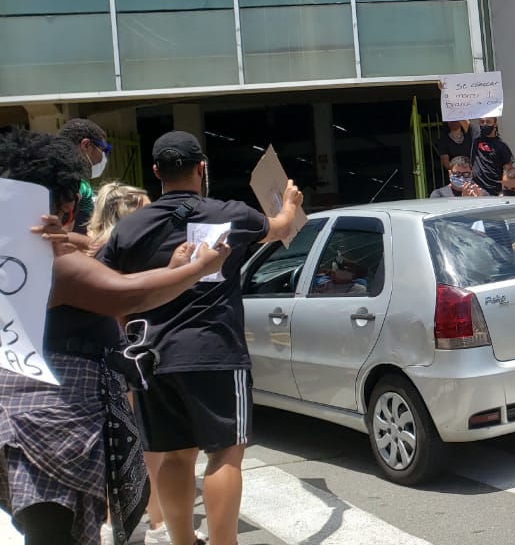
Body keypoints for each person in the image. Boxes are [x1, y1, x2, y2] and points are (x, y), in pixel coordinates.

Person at [0, 130, 230, 545]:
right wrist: (197, 268)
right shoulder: (52, 264)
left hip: (25, 412)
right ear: (67, 206)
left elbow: (102, 269)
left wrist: (73, 238)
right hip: (55, 418)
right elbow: (129, 292)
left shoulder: (17, 250)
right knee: (56, 534)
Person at [97, 131, 304, 545]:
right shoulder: (230, 214)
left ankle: (182, 541)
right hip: (216, 351)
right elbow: (281, 227)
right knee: (226, 452)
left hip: (152, 355)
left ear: (156, 172)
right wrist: (291, 202)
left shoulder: (129, 228)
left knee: (173, 455)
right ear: (201, 168)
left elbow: (104, 284)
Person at [84, 181, 174, 543]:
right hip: (128, 355)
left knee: (111, 441)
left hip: (96, 356)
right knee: (144, 441)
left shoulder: (87, 250)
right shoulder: (123, 254)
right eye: (147, 210)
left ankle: (113, 520)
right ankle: (155, 521)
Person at [56, 117, 112, 237]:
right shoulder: (74, 185)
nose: (104, 157)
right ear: (86, 145)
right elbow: (60, 238)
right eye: (104, 150)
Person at [469, 117, 514, 196]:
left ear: (495, 124)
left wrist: (504, 192)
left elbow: (508, 171)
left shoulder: (502, 146)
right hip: (477, 190)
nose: (485, 124)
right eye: (482, 122)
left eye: (488, 122)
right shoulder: (475, 139)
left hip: (495, 191)